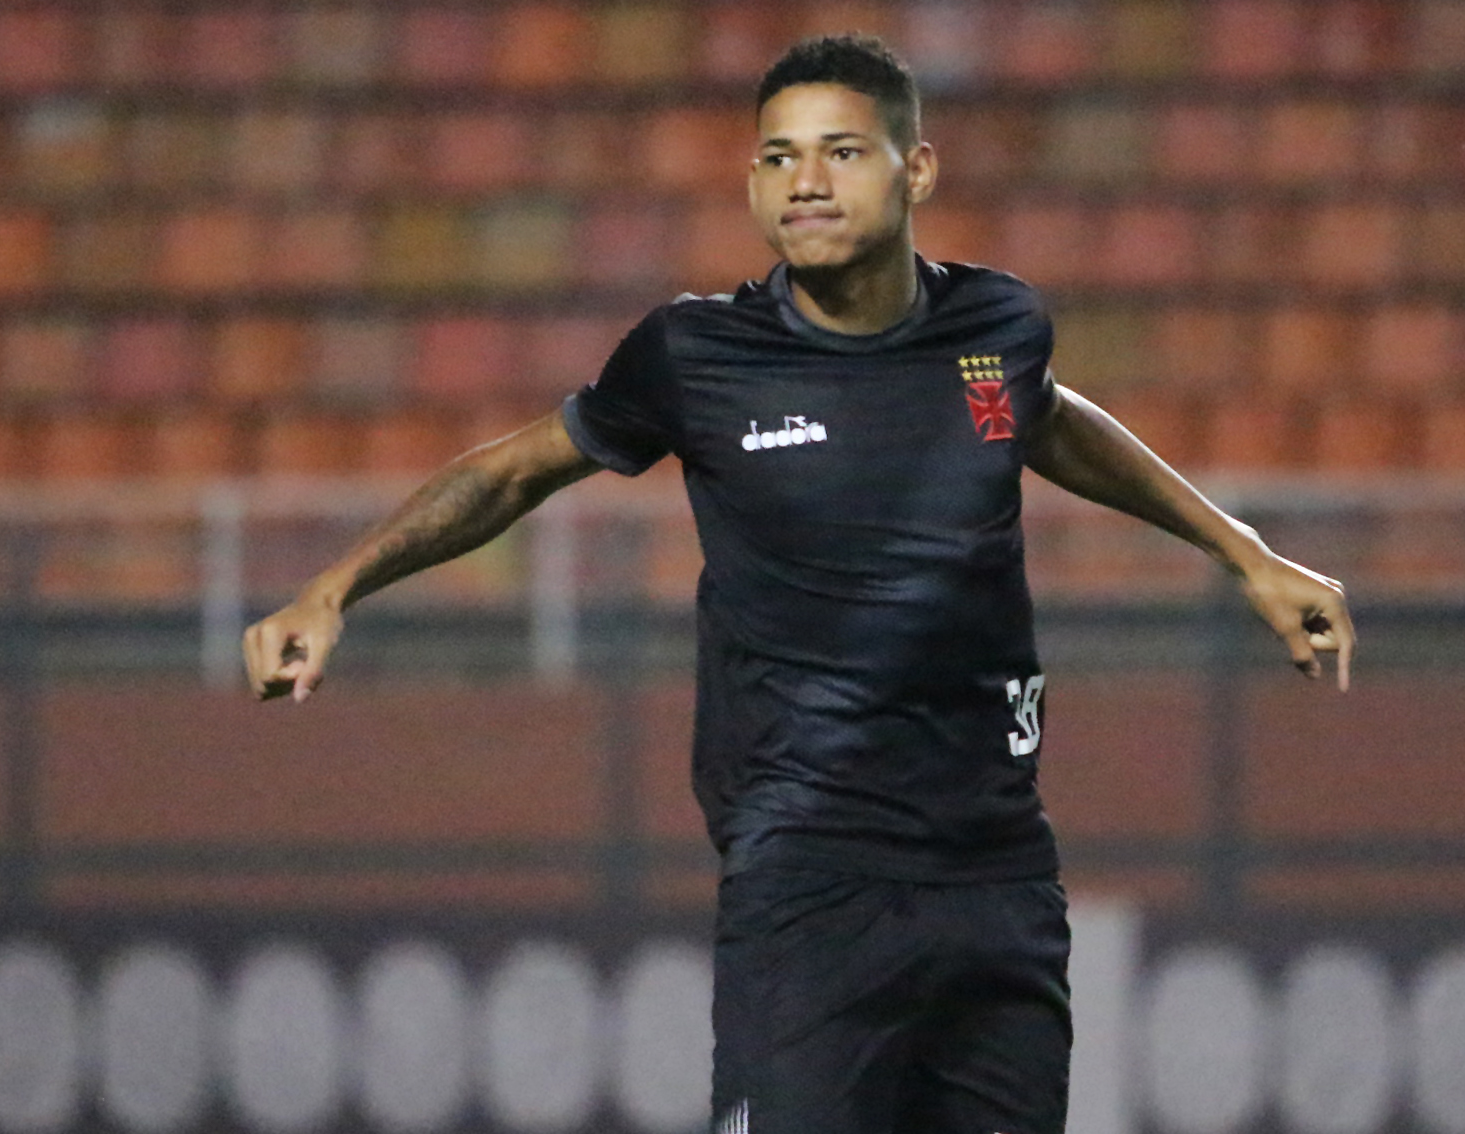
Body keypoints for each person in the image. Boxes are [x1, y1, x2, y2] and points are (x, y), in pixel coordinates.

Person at [244, 34, 1354, 1134]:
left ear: (916, 171)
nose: (805, 182)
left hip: (999, 872)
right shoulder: (697, 356)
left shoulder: (994, 333)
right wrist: (338, 586)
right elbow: (511, 472)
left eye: (842, 152)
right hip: (811, 878)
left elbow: (1043, 420)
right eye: (778, 157)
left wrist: (1243, 552)